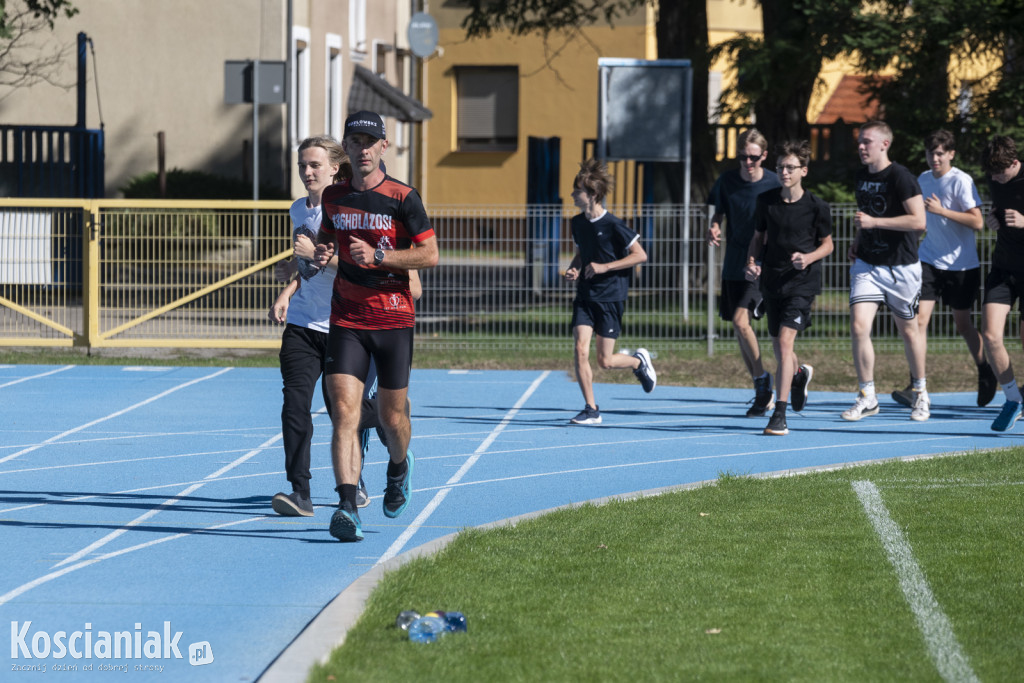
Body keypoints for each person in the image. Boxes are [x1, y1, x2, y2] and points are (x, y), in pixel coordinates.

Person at [314, 110, 438, 541]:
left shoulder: (403, 197)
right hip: (347, 318)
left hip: (393, 319)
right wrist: (319, 253)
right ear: (345, 147)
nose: (363, 149)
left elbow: (430, 255)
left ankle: (399, 466)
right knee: (344, 413)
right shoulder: (333, 196)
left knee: (391, 418)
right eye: (355, 141)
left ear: (384, 146)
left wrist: (382, 257)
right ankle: (347, 505)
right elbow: (329, 239)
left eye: (371, 141)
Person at [267, 135, 347, 517]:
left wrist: (312, 255)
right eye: (302, 165)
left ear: (334, 167)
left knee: (343, 412)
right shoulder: (298, 209)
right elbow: (308, 264)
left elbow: (356, 267)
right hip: (301, 323)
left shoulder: (348, 211)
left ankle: (357, 477)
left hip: (342, 326)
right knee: (294, 407)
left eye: (315, 164)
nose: (307, 172)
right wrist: (288, 288)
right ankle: (301, 492)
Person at [889, 130, 994, 410]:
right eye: (930, 153)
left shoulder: (961, 180)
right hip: (929, 260)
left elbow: (977, 222)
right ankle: (916, 384)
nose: (934, 158)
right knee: (919, 321)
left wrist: (941, 210)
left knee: (963, 324)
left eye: (939, 153)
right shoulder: (922, 179)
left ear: (950, 154)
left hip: (962, 265)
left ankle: (985, 371)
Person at [745, 140, 833, 436]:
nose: (784, 172)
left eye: (790, 167)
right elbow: (758, 237)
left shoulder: (816, 206)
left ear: (803, 171)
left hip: (802, 284)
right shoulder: (766, 201)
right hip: (772, 281)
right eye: (780, 167)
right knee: (780, 347)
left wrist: (807, 258)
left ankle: (779, 414)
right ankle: (798, 374)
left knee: (784, 343)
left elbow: (828, 245)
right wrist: (753, 262)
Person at [841, 121, 928, 422]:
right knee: (858, 326)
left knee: (908, 330)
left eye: (867, 141)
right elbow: (866, 216)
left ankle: (920, 392)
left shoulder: (901, 177)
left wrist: (875, 224)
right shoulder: (861, 177)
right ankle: (867, 396)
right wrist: (857, 241)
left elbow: (919, 222)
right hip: (868, 264)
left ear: (884, 144)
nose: (861, 147)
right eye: (859, 142)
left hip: (901, 267)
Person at [564, 159, 656, 425]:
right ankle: (591, 409)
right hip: (585, 296)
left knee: (605, 361)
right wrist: (574, 269)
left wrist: (605, 267)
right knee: (580, 349)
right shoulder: (577, 223)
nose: (572, 194)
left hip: (610, 297)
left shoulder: (614, 225)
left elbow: (640, 255)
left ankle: (638, 363)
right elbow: (581, 254)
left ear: (592, 194)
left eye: (577, 190)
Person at [708, 128, 781, 417]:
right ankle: (762, 388)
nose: (747, 163)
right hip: (733, 263)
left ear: (764, 156)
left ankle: (765, 380)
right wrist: (714, 226)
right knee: (740, 330)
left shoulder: (775, 184)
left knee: (742, 321)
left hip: (761, 265)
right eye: (742, 157)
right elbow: (719, 212)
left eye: (753, 157)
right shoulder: (727, 181)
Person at [979, 136, 1024, 431]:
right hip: (1004, 267)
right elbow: (998, 209)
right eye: (991, 174)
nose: (994, 178)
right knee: (990, 335)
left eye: (999, 173)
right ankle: (1012, 398)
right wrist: (992, 219)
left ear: (1015, 163)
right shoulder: (996, 179)